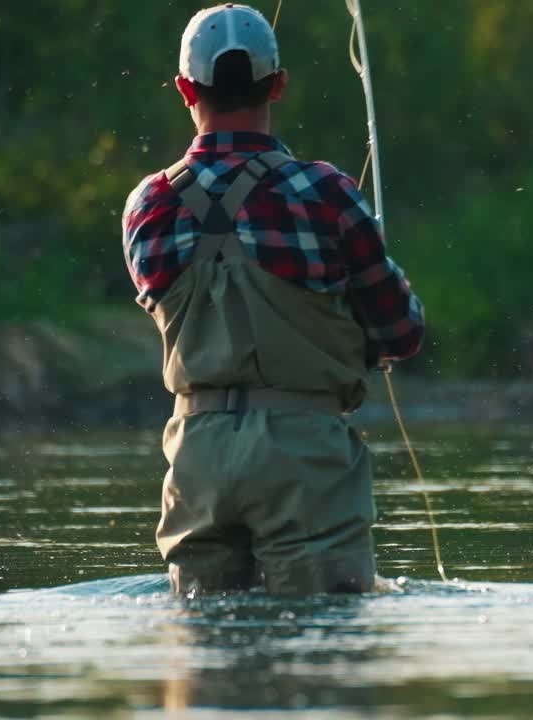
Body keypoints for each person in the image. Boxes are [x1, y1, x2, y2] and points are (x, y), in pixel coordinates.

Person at [121, 4, 424, 596]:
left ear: (186, 88)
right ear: (278, 84)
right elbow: (402, 333)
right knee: (321, 649)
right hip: (303, 452)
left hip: (197, 455)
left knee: (207, 656)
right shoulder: (327, 193)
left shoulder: (146, 206)